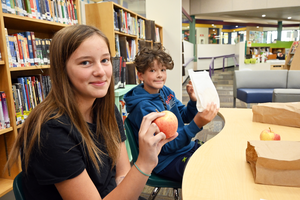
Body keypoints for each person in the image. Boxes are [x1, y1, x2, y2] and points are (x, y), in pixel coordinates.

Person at [6, 25, 177, 200]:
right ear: (62, 70)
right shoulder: (51, 131)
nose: (101, 72)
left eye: (105, 60)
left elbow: (122, 174)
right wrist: (144, 163)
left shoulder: (106, 109)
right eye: (85, 62)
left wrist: (139, 170)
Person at [124, 47, 219, 182]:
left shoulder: (164, 91)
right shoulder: (143, 108)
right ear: (141, 75)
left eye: (163, 70)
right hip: (166, 160)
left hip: (184, 147)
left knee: (219, 159)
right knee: (206, 176)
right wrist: (196, 125)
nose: (160, 75)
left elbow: (184, 116)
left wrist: (192, 102)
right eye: (152, 70)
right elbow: (164, 146)